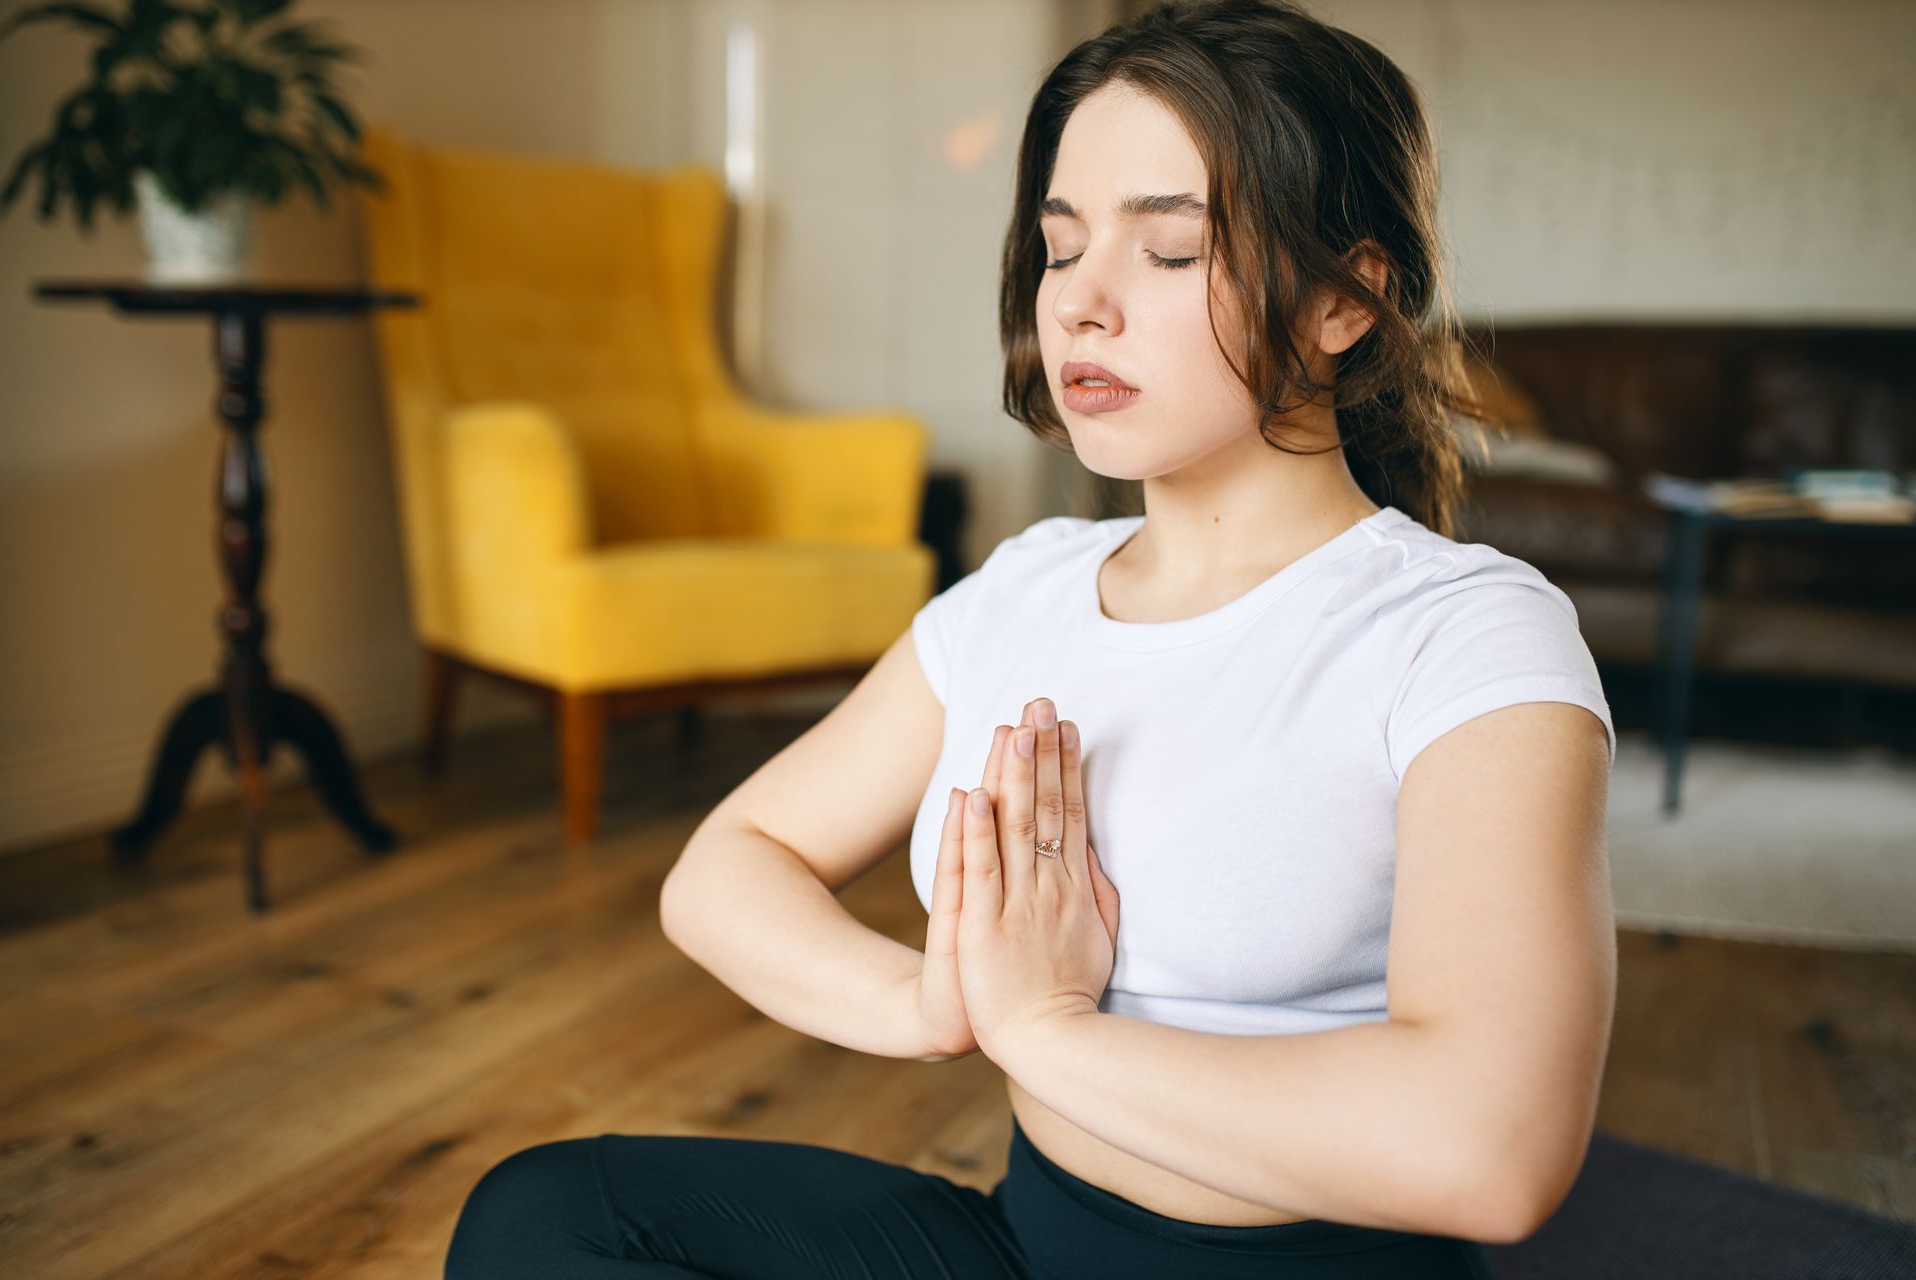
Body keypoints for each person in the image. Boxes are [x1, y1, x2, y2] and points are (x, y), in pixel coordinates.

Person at [443, 1, 1617, 1276]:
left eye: (1169, 251)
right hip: (1033, 1242)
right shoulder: (1023, 591)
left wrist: (1047, 1029)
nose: (1084, 307)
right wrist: (930, 1002)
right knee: (550, 1213)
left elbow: (1493, 1150)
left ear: (1344, 299)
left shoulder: (1463, 632)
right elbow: (729, 864)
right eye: (1062, 250)